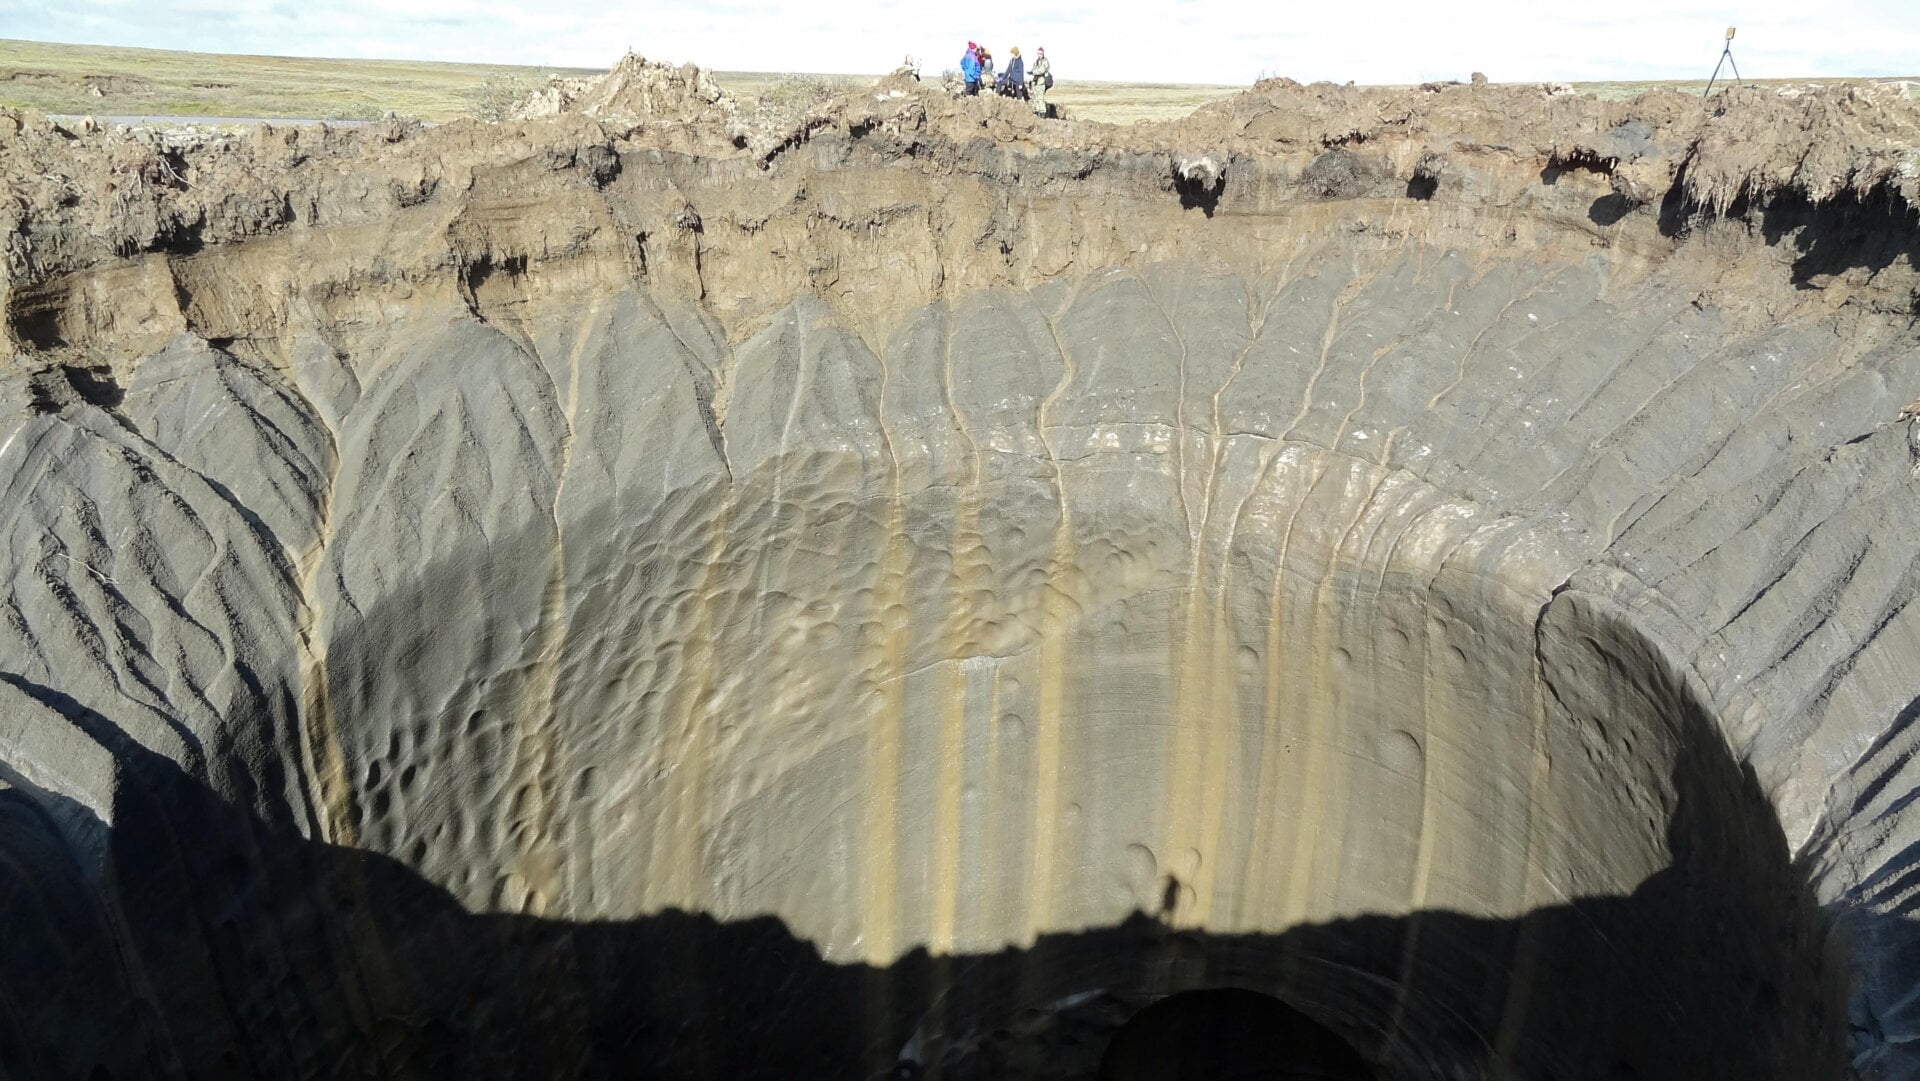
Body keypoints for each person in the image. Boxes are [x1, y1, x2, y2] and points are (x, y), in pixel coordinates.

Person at [1028, 47, 1052, 116]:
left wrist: (1033, 72)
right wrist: (1032, 72)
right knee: (1036, 98)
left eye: (1040, 54)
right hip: (1035, 82)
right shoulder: (1036, 62)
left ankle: (1042, 114)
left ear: (1043, 53)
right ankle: (1038, 112)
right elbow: (1034, 69)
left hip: (1041, 82)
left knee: (1041, 98)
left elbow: (1042, 70)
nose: (1039, 55)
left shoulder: (1045, 61)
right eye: (1038, 53)